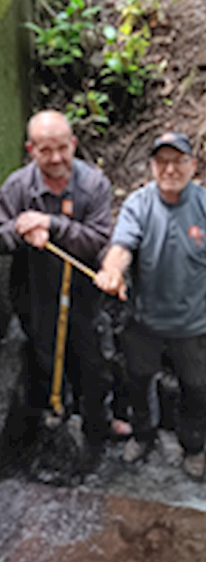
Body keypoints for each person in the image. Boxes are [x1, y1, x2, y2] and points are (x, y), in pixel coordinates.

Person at [93, 131, 206, 479]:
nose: (170, 169)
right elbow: (121, 247)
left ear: (193, 165)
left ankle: (193, 446)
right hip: (143, 322)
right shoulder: (139, 205)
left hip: (195, 326)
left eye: (178, 161)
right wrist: (111, 271)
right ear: (152, 166)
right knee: (138, 381)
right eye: (162, 161)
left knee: (198, 389)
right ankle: (143, 435)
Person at [0, 110, 114, 465]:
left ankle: (97, 430)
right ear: (31, 149)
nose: (56, 158)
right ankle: (44, 429)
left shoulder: (94, 184)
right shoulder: (17, 187)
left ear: (74, 144)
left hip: (84, 296)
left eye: (62, 149)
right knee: (40, 359)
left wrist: (53, 224)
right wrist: (20, 228)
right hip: (33, 295)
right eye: (45, 150)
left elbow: (98, 239)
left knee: (93, 363)